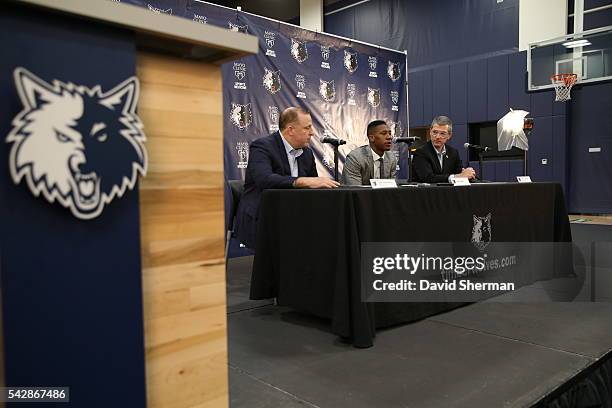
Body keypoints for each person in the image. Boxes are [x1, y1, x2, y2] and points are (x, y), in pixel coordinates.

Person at [234, 107, 339, 248]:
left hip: (295, 214)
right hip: (264, 214)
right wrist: (300, 181)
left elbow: (313, 188)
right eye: (307, 128)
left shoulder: (307, 153)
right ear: (290, 130)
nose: (312, 133)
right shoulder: (262, 147)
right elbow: (265, 179)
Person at [411, 116, 476, 183]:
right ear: (430, 132)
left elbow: (459, 172)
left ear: (449, 135)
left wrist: (468, 173)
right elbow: (428, 177)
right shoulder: (420, 152)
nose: (437, 137)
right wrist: (456, 177)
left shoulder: (453, 153)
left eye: (442, 133)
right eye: (435, 132)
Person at [341, 120, 398, 185]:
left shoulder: (391, 158)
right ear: (371, 138)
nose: (389, 137)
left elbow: (392, 188)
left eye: (390, 133)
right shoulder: (355, 158)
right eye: (384, 133)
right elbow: (355, 190)